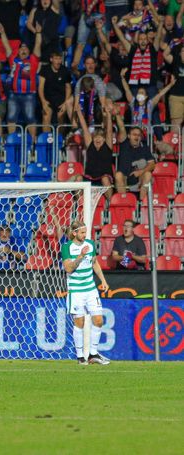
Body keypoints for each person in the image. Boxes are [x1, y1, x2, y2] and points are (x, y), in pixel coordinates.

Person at [61, 220, 110, 365]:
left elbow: (94, 262)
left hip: (91, 289)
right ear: (74, 233)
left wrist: (103, 280)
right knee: (79, 323)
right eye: (82, 232)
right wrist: (80, 256)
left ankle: (93, 354)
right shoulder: (67, 247)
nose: (85, 235)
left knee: (99, 320)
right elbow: (68, 269)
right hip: (76, 291)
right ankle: (80, 356)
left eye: (85, 232)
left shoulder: (90, 244)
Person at [1, 22, 42, 140]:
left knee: (30, 118)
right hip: (14, 95)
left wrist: (38, 33)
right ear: (18, 51)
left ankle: (34, 143)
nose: (23, 51)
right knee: (11, 117)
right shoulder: (13, 60)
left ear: (29, 52)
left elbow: (38, 45)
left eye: (25, 49)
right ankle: (10, 141)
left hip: (29, 95)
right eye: (21, 49)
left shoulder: (33, 60)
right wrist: (3, 33)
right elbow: (6, 46)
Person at [77, 104, 115, 198]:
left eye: (100, 138)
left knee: (105, 179)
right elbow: (85, 128)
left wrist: (109, 115)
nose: (98, 139)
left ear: (104, 139)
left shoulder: (107, 146)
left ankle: (110, 204)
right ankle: (80, 204)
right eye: (95, 137)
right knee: (78, 178)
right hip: (90, 177)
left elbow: (109, 131)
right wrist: (78, 112)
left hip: (104, 177)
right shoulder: (90, 145)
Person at [115, 123, 155, 199]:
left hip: (139, 178)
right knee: (118, 175)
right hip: (125, 178)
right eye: (134, 134)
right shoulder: (124, 144)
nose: (137, 137)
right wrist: (117, 115)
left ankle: (141, 203)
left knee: (148, 174)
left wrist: (141, 172)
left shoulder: (144, 147)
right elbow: (121, 127)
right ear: (129, 136)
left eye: (139, 135)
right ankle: (124, 201)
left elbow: (152, 164)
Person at [38, 51, 72, 130]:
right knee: (46, 116)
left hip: (61, 99)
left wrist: (65, 103)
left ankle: (60, 138)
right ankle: (46, 139)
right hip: (48, 99)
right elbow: (40, 87)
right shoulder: (45, 70)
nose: (58, 61)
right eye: (56, 59)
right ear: (51, 59)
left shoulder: (65, 71)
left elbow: (68, 87)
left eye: (60, 59)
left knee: (61, 116)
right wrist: (43, 102)